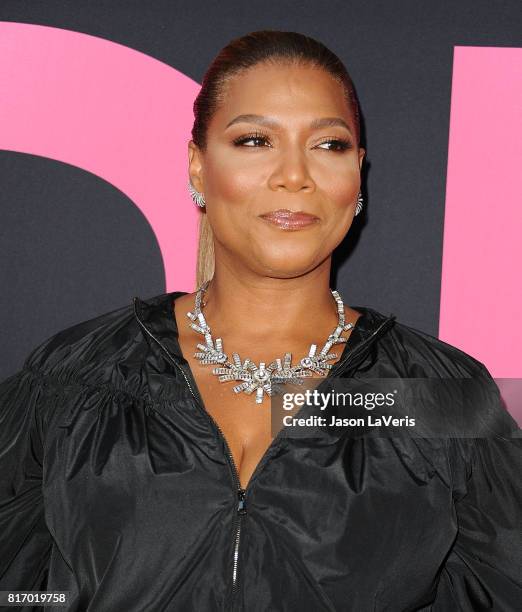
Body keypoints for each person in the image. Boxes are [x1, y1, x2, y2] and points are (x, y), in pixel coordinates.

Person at [0, 30, 520, 612]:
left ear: (358, 177)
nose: (294, 175)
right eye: (254, 140)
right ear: (198, 167)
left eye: (328, 145)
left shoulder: (435, 393)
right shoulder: (77, 377)